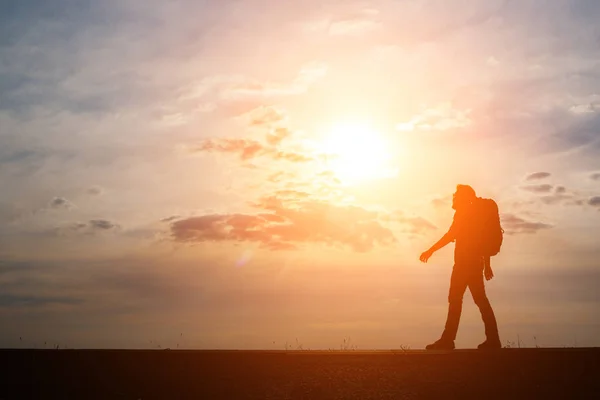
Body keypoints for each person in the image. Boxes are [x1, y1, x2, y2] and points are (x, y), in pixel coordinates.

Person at [420, 184, 501, 350]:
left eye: (456, 194)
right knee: (480, 301)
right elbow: (483, 240)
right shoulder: (476, 214)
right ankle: (493, 340)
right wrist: (486, 265)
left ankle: (448, 340)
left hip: (464, 264)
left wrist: (430, 250)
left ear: (464, 197)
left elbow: (450, 235)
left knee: (455, 300)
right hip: (475, 263)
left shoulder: (463, 213)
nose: (453, 197)